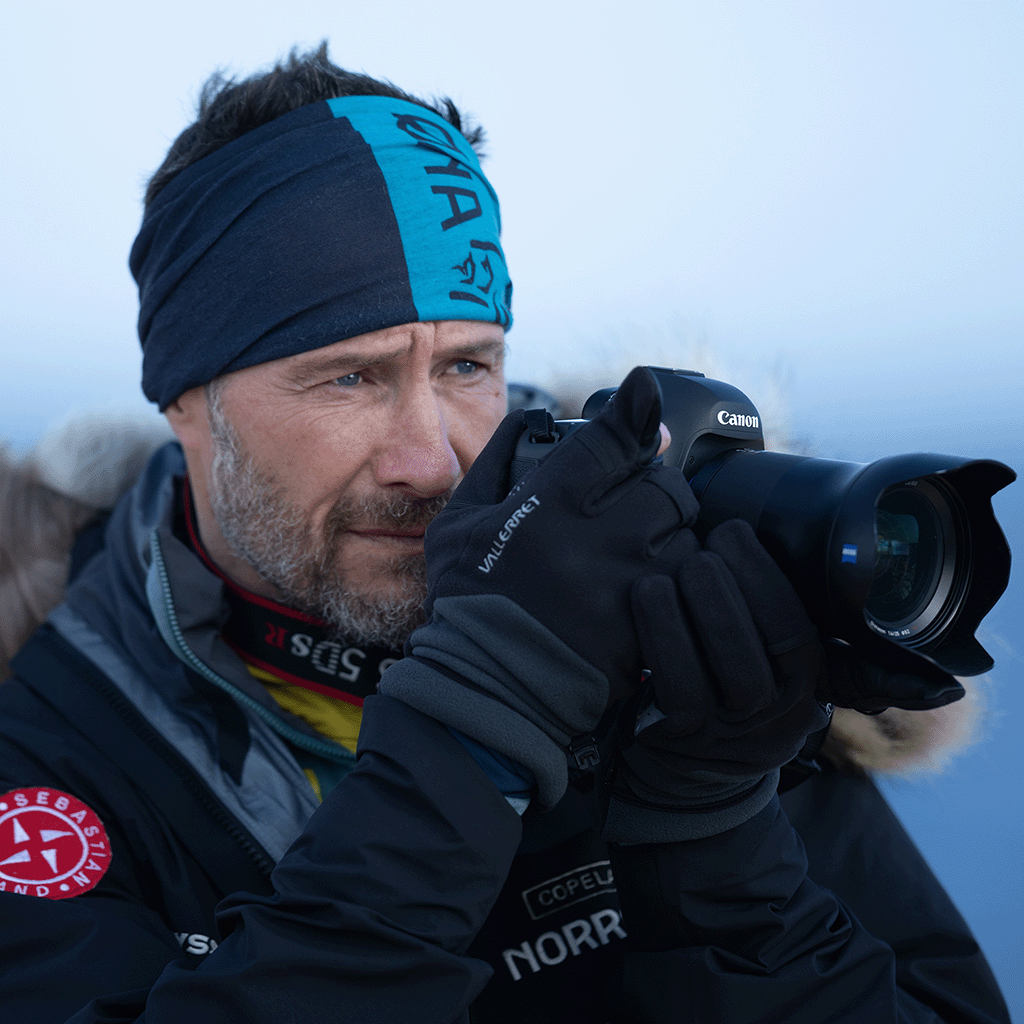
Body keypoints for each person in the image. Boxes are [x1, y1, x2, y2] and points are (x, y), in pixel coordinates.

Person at [0, 44, 1009, 1024]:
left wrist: (716, 845)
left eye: (466, 367)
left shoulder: (655, 610)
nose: (432, 460)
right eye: (352, 376)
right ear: (186, 401)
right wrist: (477, 721)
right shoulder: (51, 746)